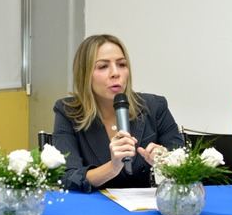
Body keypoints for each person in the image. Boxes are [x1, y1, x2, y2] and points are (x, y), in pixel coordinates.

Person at [53, 34, 184, 192]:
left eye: (122, 64)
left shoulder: (155, 106)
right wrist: (112, 168)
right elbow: (68, 178)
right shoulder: (68, 111)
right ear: (84, 74)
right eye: (103, 66)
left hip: (146, 209)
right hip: (96, 209)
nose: (116, 73)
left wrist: (164, 159)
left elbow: (184, 163)